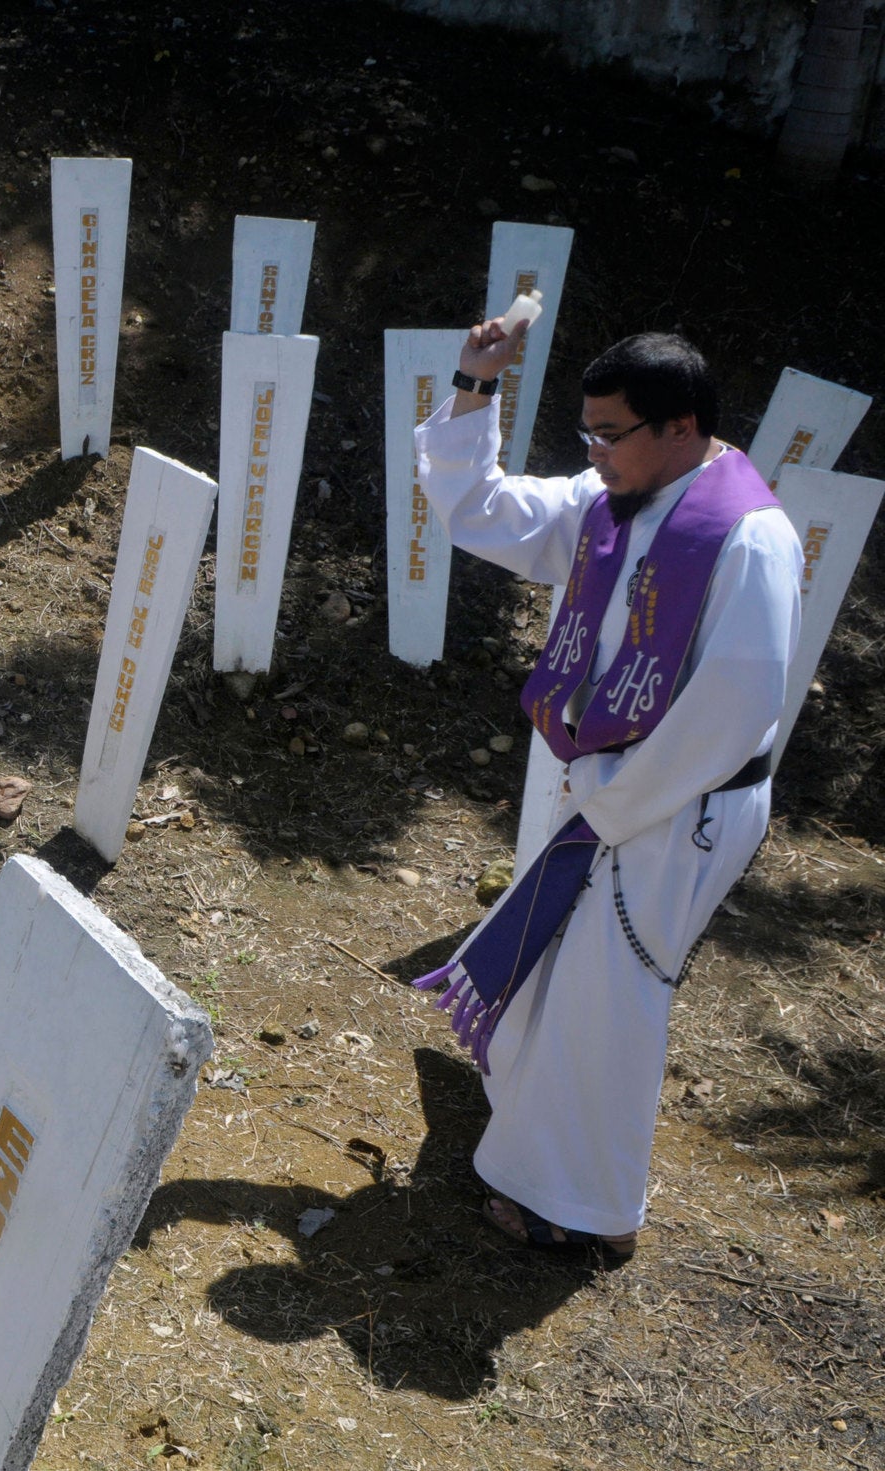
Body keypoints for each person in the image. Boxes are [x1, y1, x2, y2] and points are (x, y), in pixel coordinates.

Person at [411, 324, 802, 1262]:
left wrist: (613, 796)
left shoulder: (749, 538)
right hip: (605, 778)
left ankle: (592, 1209)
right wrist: (474, 384)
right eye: (586, 433)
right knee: (567, 970)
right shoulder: (610, 496)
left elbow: (733, 708)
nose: (592, 453)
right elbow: (483, 510)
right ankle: (533, 1138)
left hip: (679, 803)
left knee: (615, 991)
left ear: (680, 427)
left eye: (610, 434)